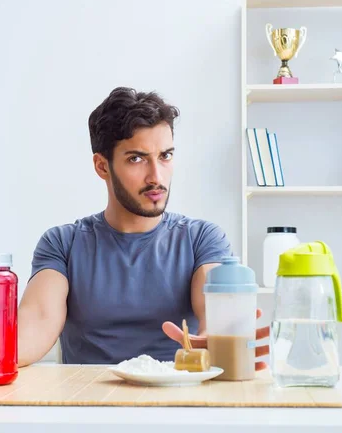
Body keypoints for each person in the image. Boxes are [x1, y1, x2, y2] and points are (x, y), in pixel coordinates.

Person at [17, 86, 269, 368]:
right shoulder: (62, 244)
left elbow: (213, 306)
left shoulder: (202, 239)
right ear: (102, 166)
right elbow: (37, 323)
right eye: (136, 159)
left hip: (177, 401)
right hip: (89, 404)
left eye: (165, 156)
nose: (156, 176)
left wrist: (216, 339)